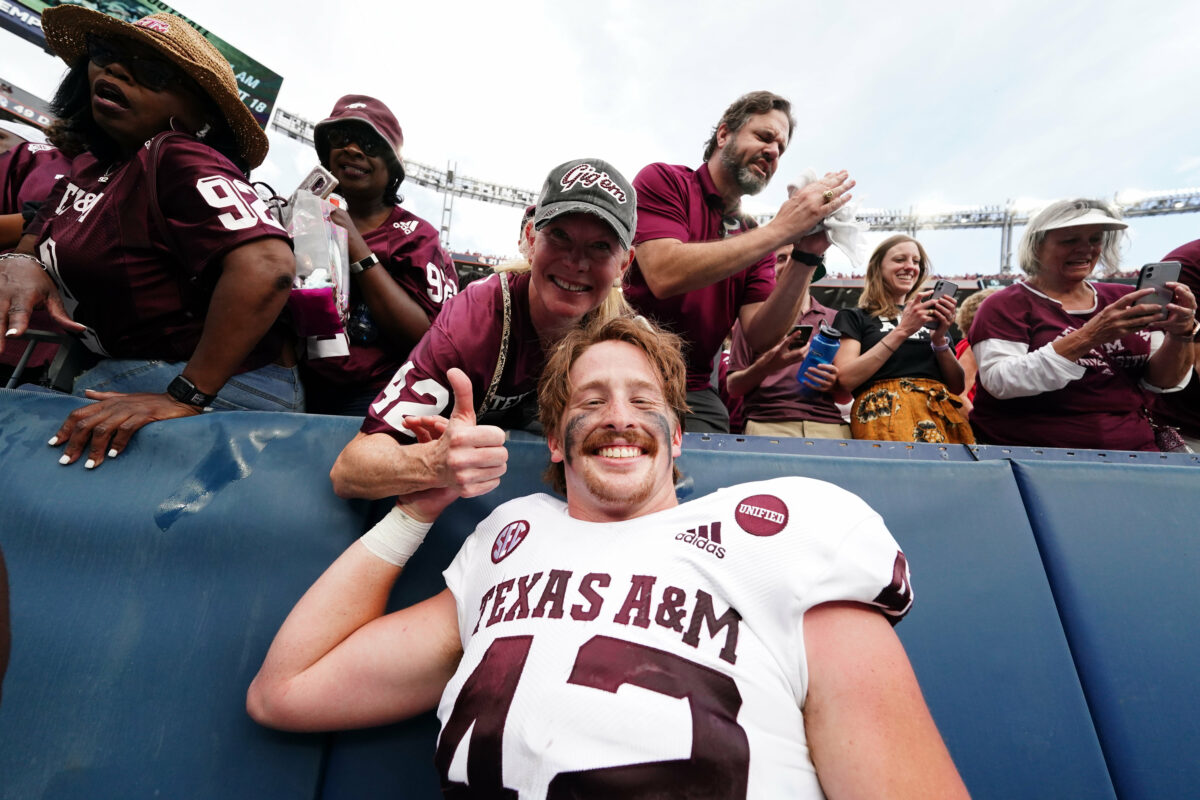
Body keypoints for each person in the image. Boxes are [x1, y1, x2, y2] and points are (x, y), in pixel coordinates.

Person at [248, 315, 969, 799]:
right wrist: (418, 506)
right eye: (589, 401)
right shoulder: (511, 540)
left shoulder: (784, 534)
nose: (619, 416)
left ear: (679, 436)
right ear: (557, 442)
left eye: (641, 399)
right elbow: (286, 689)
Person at [0, 8, 299, 470]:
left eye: (153, 71)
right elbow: (38, 234)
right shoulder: (92, 168)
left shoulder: (177, 155)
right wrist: (23, 263)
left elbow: (268, 268)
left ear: (201, 116)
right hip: (132, 367)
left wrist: (186, 396)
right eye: (105, 54)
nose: (116, 69)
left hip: (223, 384)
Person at [329, 157, 635, 500]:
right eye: (560, 236)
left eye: (600, 246)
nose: (576, 262)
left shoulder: (624, 341)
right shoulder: (473, 322)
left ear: (624, 264)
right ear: (531, 239)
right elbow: (350, 469)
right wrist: (434, 464)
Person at [624, 90, 855, 433]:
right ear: (723, 134)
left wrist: (807, 255)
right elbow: (663, 273)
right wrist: (779, 230)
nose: (774, 152)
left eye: (781, 149)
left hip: (694, 389)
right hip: (628, 368)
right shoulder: (665, 180)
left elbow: (762, 336)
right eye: (764, 137)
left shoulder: (755, 236)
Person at [968, 199, 1196, 451]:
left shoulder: (1125, 298)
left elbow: (1162, 382)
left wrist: (1180, 335)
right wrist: (1090, 335)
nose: (1085, 249)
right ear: (1036, 246)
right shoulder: (1006, 304)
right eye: (1069, 240)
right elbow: (1001, 381)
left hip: (1135, 453)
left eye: (1095, 239)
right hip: (1033, 455)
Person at [300, 95, 458, 416]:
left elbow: (428, 338)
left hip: (377, 396)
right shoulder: (303, 216)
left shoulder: (417, 234)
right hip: (301, 383)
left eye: (370, 145)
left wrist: (357, 247)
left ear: (392, 168)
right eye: (342, 139)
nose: (354, 150)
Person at [832, 235, 972, 443]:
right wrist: (902, 330)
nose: (910, 267)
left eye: (916, 262)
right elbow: (846, 379)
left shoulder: (929, 316)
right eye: (900, 260)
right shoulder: (854, 317)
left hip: (940, 415)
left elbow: (957, 386)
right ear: (877, 267)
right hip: (883, 415)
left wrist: (939, 339)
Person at [727, 245, 849, 438]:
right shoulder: (753, 320)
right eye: (782, 258)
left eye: (800, 257)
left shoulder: (837, 319)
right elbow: (733, 387)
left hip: (828, 425)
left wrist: (833, 383)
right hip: (769, 423)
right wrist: (767, 365)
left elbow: (845, 397)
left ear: (815, 266)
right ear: (769, 269)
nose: (793, 264)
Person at [952, 287, 998, 416]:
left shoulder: (973, 343)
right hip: (974, 426)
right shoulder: (975, 345)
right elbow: (959, 394)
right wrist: (979, 426)